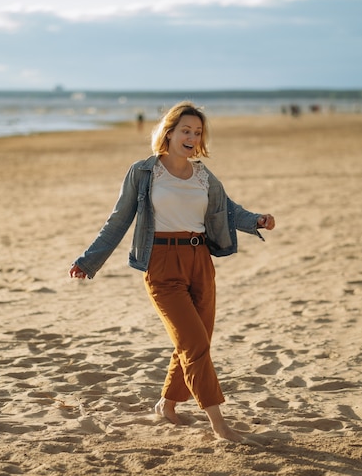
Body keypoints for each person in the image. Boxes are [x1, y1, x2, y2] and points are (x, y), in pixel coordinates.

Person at [70, 102, 275, 444]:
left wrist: (255, 220)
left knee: (194, 341)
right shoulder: (144, 172)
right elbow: (118, 220)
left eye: (197, 132)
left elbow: (228, 210)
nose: (192, 137)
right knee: (194, 344)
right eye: (186, 131)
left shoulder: (203, 175)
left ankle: (166, 404)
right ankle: (219, 425)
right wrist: (89, 261)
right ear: (168, 132)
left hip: (200, 262)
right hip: (162, 264)